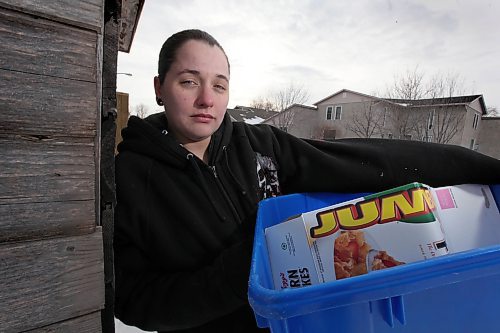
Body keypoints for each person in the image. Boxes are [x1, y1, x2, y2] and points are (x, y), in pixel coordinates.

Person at [113, 29, 500, 333]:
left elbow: (367, 162)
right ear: (159, 88)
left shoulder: (259, 145)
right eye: (188, 82)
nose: (206, 100)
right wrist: (237, 276)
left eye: (219, 84)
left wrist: (485, 169)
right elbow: (133, 300)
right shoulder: (128, 179)